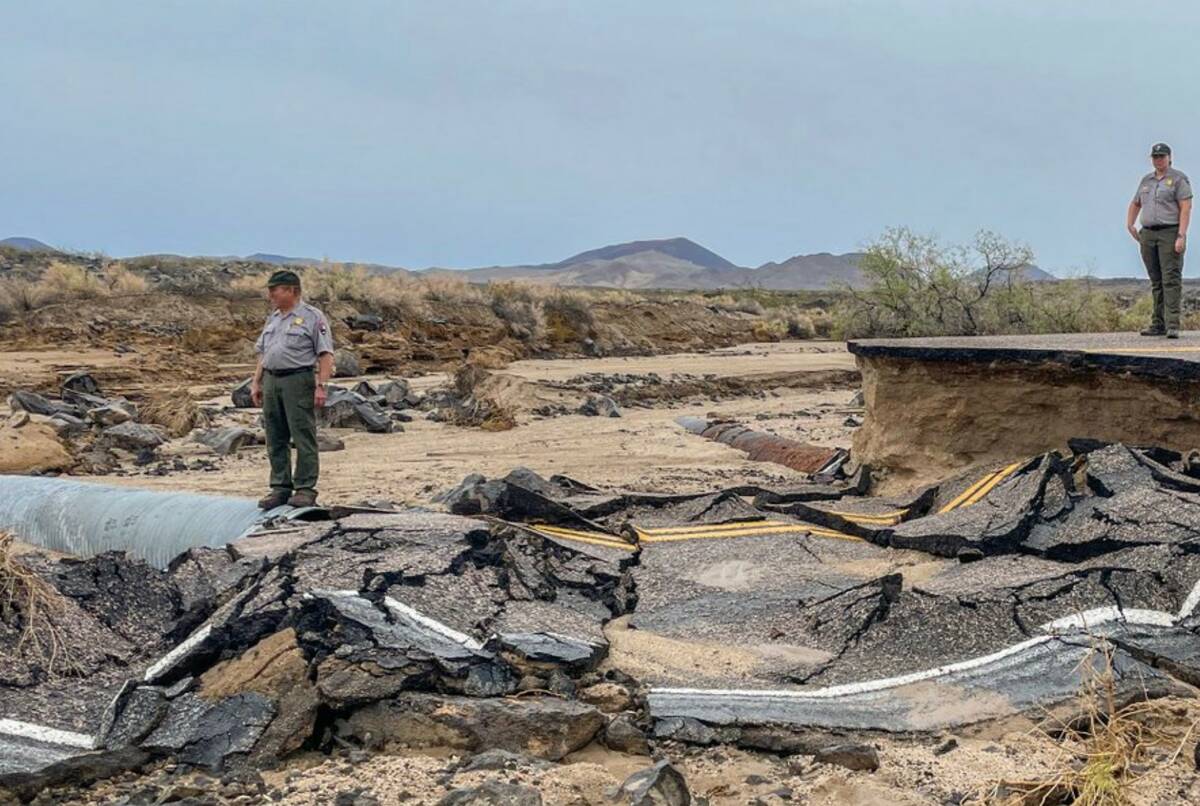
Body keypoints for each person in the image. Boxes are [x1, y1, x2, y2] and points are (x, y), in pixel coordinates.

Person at [250, 270, 334, 509]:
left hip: (298, 380)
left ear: (291, 290)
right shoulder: (273, 318)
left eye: (274, 290)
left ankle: (306, 488)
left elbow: (325, 354)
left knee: (302, 434)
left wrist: (321, 385)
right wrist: (256, 382)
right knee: (275, 436)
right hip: (272, 381)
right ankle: (280, 487)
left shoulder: (312, 317)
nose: (270, 295)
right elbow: (264, 353)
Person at [1127, 142, 1193, 338]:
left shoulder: (1178, 179)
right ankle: (1158, 323)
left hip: (1169, 232)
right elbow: (1136, 202)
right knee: (1156, 280)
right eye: (1155, 157)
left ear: (1169, 158)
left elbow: (1186, 208)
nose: (1158, 160)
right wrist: (1130, 224)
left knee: (1170, 279)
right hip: (1148, 234)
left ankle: (1172, 324)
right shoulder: (1146, 181)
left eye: (1162, 157)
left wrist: (1181, 234)